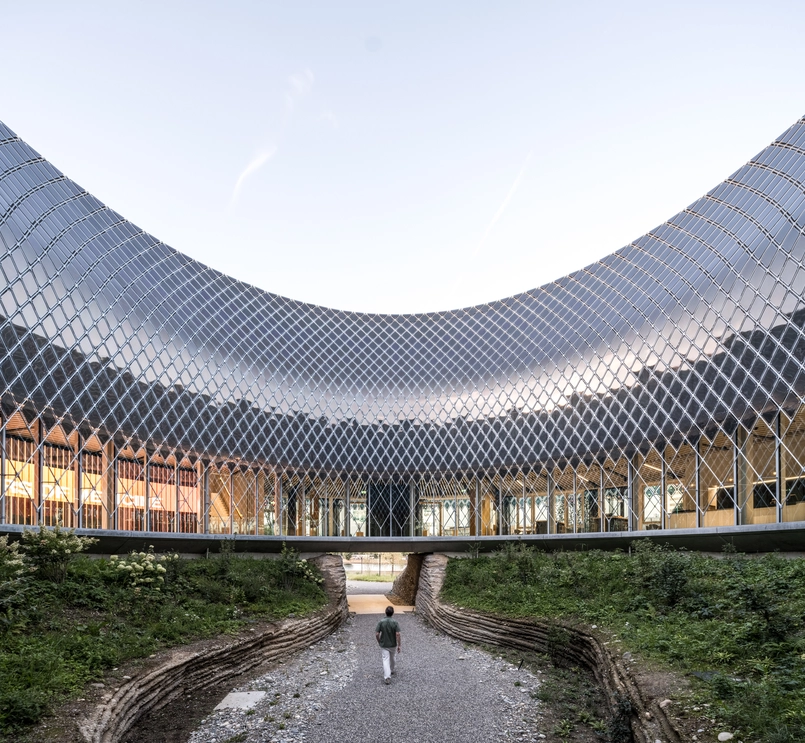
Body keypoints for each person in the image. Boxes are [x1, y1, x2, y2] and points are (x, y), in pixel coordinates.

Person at [375, 605, 401, 684]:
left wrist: (379, 641)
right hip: (393, 644)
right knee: (392, 657)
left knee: (385, 659)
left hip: (384, 644)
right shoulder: (395, 622)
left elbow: (377, 634)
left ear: (385, 612)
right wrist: (399, 645)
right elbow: (397, 634)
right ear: (392, 613)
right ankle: (391, 669)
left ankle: (387, 676)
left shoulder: (381, 622)